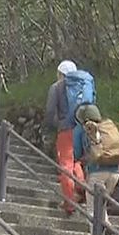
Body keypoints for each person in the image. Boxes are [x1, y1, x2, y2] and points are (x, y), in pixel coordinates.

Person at [44, 60, 87, 215]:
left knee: (66, 165)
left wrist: (53, 125)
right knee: (76, 161)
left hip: (66, 130)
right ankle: (82, 189)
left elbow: (50, 111)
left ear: (60, 73)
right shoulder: (81, 86)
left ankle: (69, 202)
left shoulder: (57, 87)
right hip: (82, 129)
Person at [72, 104, 119, 215]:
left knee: (92, 209)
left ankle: (96, 231)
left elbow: (77, 153)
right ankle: (106, 227)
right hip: (114, 172)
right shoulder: (108, 126)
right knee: (101, 205)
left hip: (97, 172)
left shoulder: (83, 129)